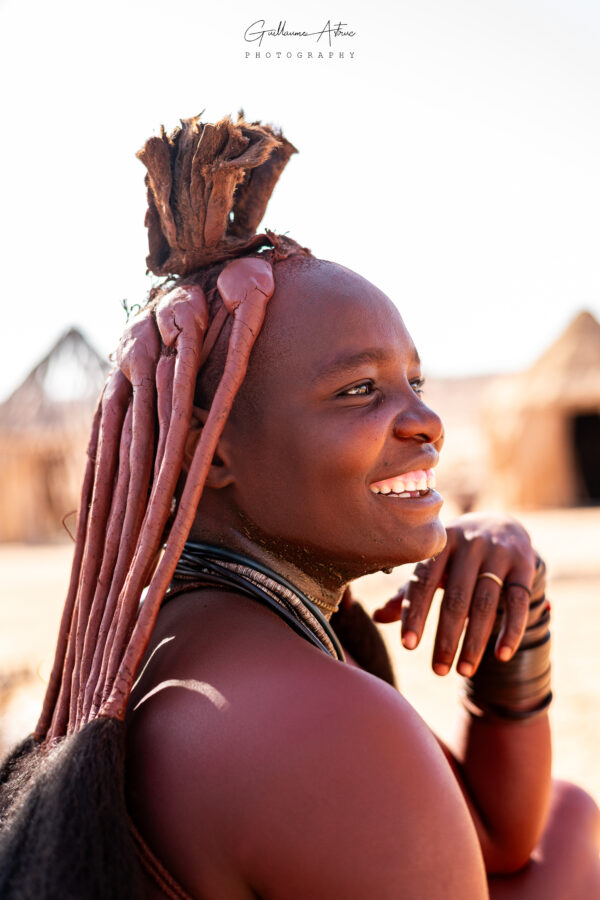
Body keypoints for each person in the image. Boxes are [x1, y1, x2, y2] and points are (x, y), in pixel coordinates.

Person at [0, 112, 599, 899]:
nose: (427, 423)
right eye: (358, 390)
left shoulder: (186, 629)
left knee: (571, 819)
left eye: (413, 383)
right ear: (210, 453)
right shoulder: (325, 729)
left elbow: (503, 836)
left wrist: (521, 637)